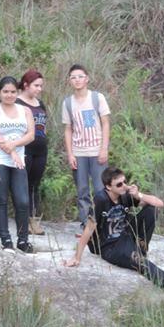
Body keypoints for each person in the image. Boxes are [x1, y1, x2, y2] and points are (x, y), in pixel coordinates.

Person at [65, 166, 164, 299]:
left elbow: (159, 204)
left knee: (151, 210)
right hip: (109, 247)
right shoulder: (100, 200)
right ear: (108, 187)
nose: (124, 186)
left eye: (125, 182)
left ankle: (140, 250)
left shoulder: (126, 195)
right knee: (139, 262)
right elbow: (89, 228)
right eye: (119, 184)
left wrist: (138, 195)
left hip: (126, 236)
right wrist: (77, 257)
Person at [0, 76, 36, 253]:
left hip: (18, 162)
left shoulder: (25, 111)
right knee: (1, 200)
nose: (9, 95)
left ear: (18, 92)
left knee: (22, 201)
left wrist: (14, 146)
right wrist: (12, 151)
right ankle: (5, 240)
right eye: (5, 91)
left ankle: (23, 240)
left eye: (13, 91)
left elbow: (31, 135)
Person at [61, 64, 111, 231]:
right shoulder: (68, 103)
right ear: (69, 80)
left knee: (100, 189)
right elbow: (68, 129)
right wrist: (70, 154)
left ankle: (103, 224)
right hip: (78, 152)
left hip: (97, 151)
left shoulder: (97, 98)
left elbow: (105, 123)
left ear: (87, 78)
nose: (77, 80)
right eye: (73, 77)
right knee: (82, 190)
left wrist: (104, 148)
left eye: (80, 76)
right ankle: (86, 225)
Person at [17, 69, 47, 236]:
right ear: (26, 85)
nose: (39, 89)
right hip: (25, 148)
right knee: (23, 185)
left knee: (35, 185)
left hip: (41, 149)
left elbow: (44, 125)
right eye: (36, 85)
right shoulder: (18, 103)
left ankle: (35, 221)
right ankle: (23, 221)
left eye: (41, 86)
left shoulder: (40, 104)